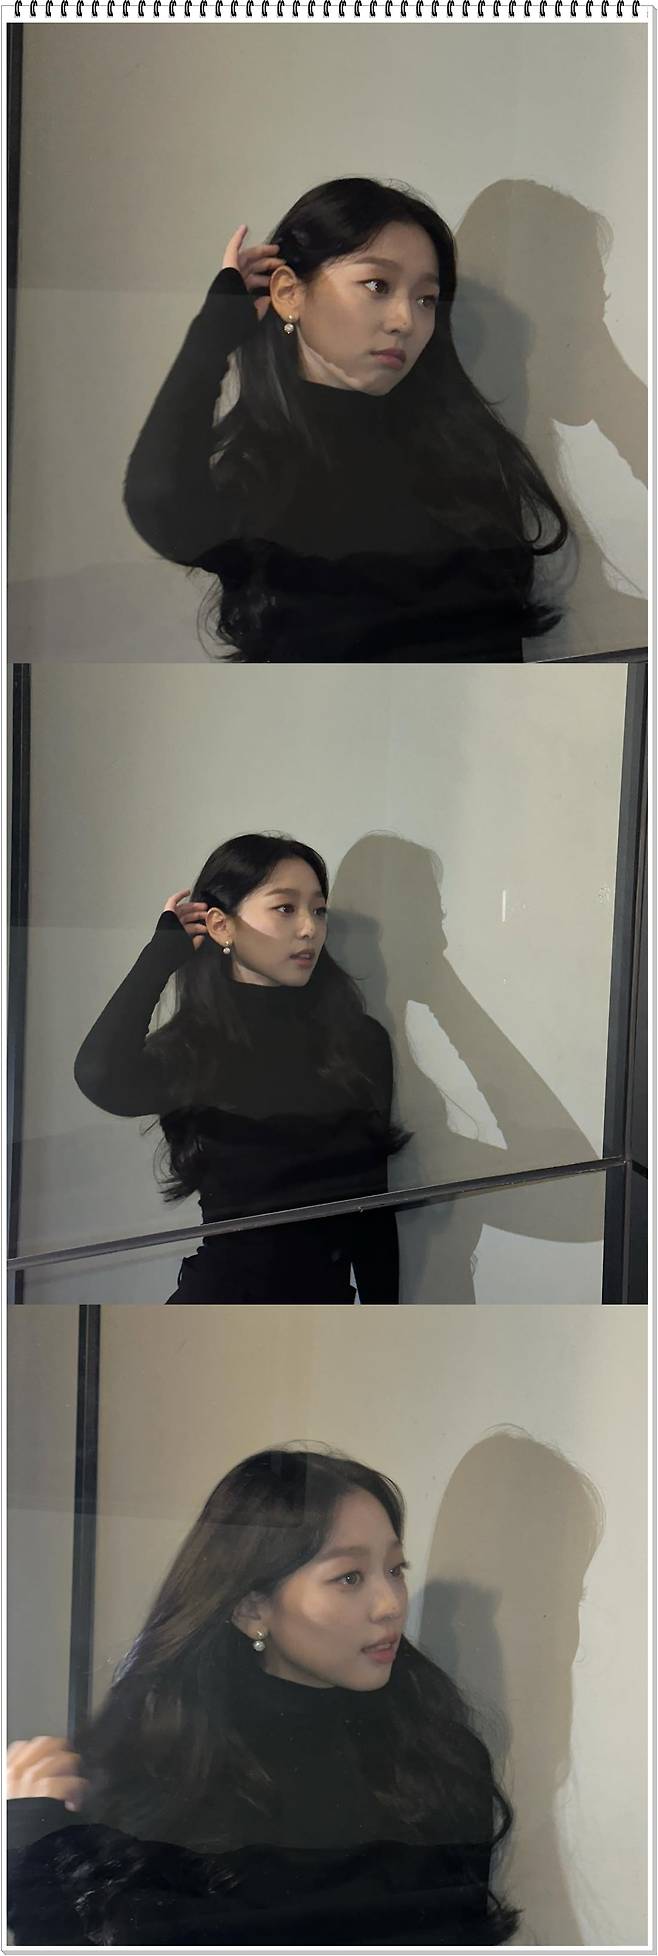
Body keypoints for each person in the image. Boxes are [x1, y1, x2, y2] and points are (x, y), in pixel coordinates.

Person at [6, 1446, 519, 1946]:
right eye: (349, 1577)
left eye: (395, 1569)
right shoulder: (150, 1768)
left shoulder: (437, 1762)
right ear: (252, 1608)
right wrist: (31, 1836)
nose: (390, 1605)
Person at [124, 175, 569, 664]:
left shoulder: (464, 460)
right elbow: (159, 501)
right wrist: (214, 330)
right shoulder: (262, 476)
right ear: (289, 293)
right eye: (377, 285)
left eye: (426, 299)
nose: (406, 320)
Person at [73, 836, 404, 1304]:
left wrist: (385, 1322)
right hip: (222, 1309)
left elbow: (373, 1211)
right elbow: (99, 1074)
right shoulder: (196, 1048)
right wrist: (160, 956)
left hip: (324, 1312)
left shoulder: (357, 1042)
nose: (310, 928)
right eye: (285, 908)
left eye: (319, 910)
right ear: (220, 926)